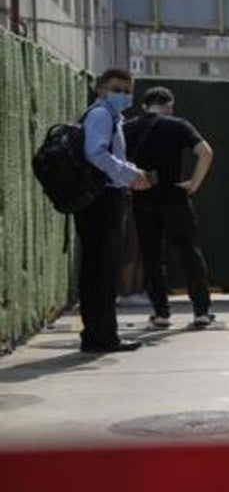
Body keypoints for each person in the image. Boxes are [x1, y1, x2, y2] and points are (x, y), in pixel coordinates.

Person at [125, 87, 216, 329]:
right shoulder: (178, 125)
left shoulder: (128, 128)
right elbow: (206, 152)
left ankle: (161, 313)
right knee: (190, 253)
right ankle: (201, 312)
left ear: (144, 106)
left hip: (142, 200)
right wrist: (194, 184)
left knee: (152, 257)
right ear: (170, 105)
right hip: (175, 197)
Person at [76, 68, 152, 352]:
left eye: (127, 90)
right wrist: (127, 176)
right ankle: (102, 336)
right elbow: (96, 153)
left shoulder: (111, 117)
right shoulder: (101, 115)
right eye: (116, 89)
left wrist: (133, 172)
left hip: (106, 196)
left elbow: (112, 156)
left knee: (99, 269)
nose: (123, 95)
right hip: (102, 199)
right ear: (101, 89)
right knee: (101, 271)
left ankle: (99, 333)